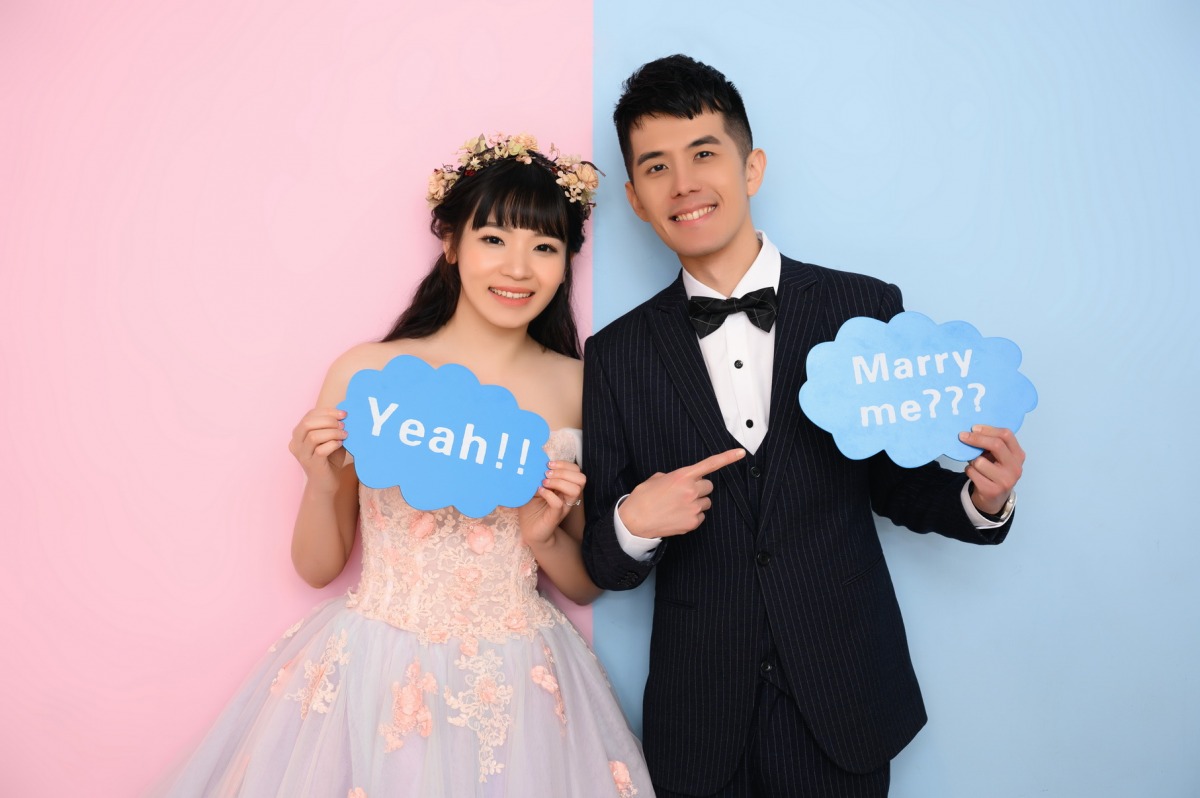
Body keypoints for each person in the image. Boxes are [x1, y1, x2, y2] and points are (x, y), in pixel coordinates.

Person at [581, 55, 1026, 798]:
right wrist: (633, 521)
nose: (683, 183)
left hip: (844, 697)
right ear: (634, 198)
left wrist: (982, 498)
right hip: (700, 718)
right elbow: (601, 558)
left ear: (751, 167)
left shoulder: (863, 308)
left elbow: (895, 484)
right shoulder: (615, 354)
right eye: (656, 167)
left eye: (703, 154)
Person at [156, 133, 651, 798]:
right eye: (493, 239)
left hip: (515, 680)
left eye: (544, 247)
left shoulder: (580, 385)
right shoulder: (370, 376)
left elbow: (585, 586)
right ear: (452, 245)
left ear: (566, 263)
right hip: (375, 663)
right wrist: (322, 481)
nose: (518, 268)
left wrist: (541, 535)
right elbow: (318, 568)